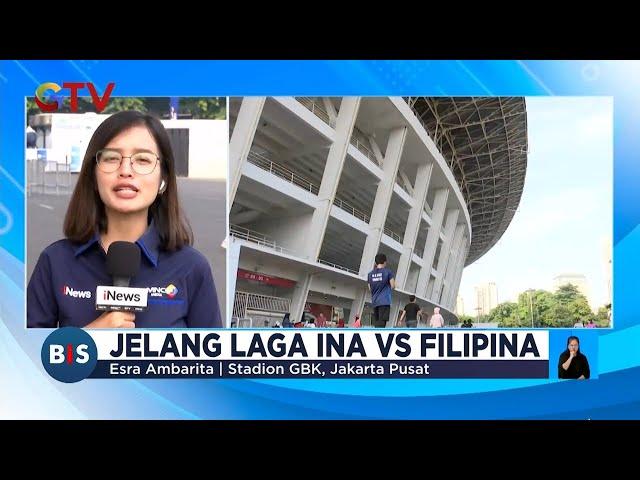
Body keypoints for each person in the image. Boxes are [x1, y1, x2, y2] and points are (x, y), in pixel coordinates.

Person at [27, 111, 222, 328]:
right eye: (112, 158)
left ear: (163, 179)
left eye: (142, 159)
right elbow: (21, 356)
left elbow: (213, 360)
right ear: (93, 175)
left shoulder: (192, 268)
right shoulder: (55, 261)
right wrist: (86, 339)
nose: (126, 170)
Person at [367, 253, 396, 328]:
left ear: (376, 262)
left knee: (377, 323)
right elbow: (393, 285)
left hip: (375, 302)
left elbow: (370, 288)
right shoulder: (388, 272)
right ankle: (379, 338)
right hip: (384, 301)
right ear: (385, 262)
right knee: (382, 324)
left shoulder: (370, 274)